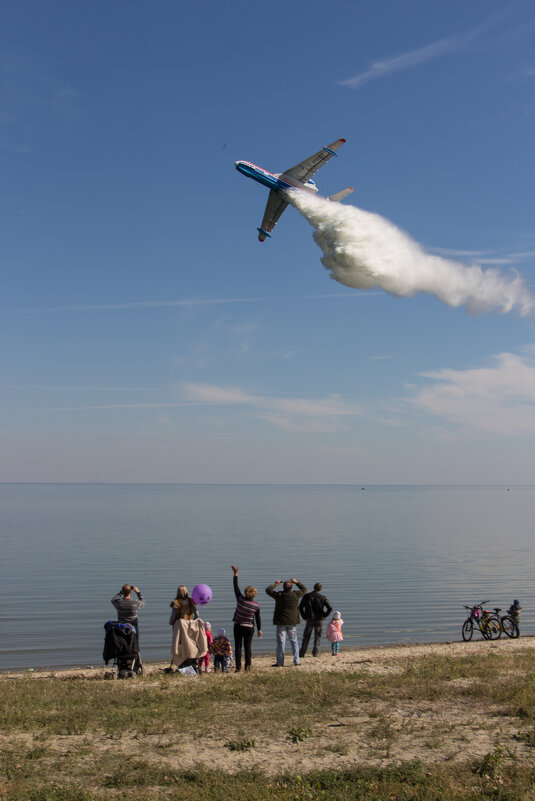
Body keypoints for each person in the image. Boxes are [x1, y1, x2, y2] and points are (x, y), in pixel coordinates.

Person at [265, 577, 306, 667]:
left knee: (281, 642)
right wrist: (296, 582)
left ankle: (280, 662)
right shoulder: (296, 594)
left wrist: (275, 584)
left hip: (281, 621)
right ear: (291, 587)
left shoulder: (279, 595)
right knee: (294, 641)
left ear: (283, 587)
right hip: (292, 621)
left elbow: (268, 590)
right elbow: (304, 589)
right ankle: (296, 661)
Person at [231, 565, 262, 672]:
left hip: (238, 626)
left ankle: (238, 668)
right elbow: (258, 618)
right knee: (247, 647)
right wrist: (259, 629)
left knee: (238, 647)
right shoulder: (256, 605)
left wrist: (235, 574)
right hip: (249, 628)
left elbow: (236, 587)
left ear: (245, 593)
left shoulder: (240, 600)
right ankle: (247, 666)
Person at [298, 582, 333, 658]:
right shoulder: (322, 597)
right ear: (320, 589)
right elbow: (330, 608)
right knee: (317, 636)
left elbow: (300, 607)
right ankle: (315, 653)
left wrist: (304, 616)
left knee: (306, 636)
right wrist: (324, 615)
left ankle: (302, 653)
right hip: (319, 619)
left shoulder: (307, 596)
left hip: (310, 619)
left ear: (314, 588)